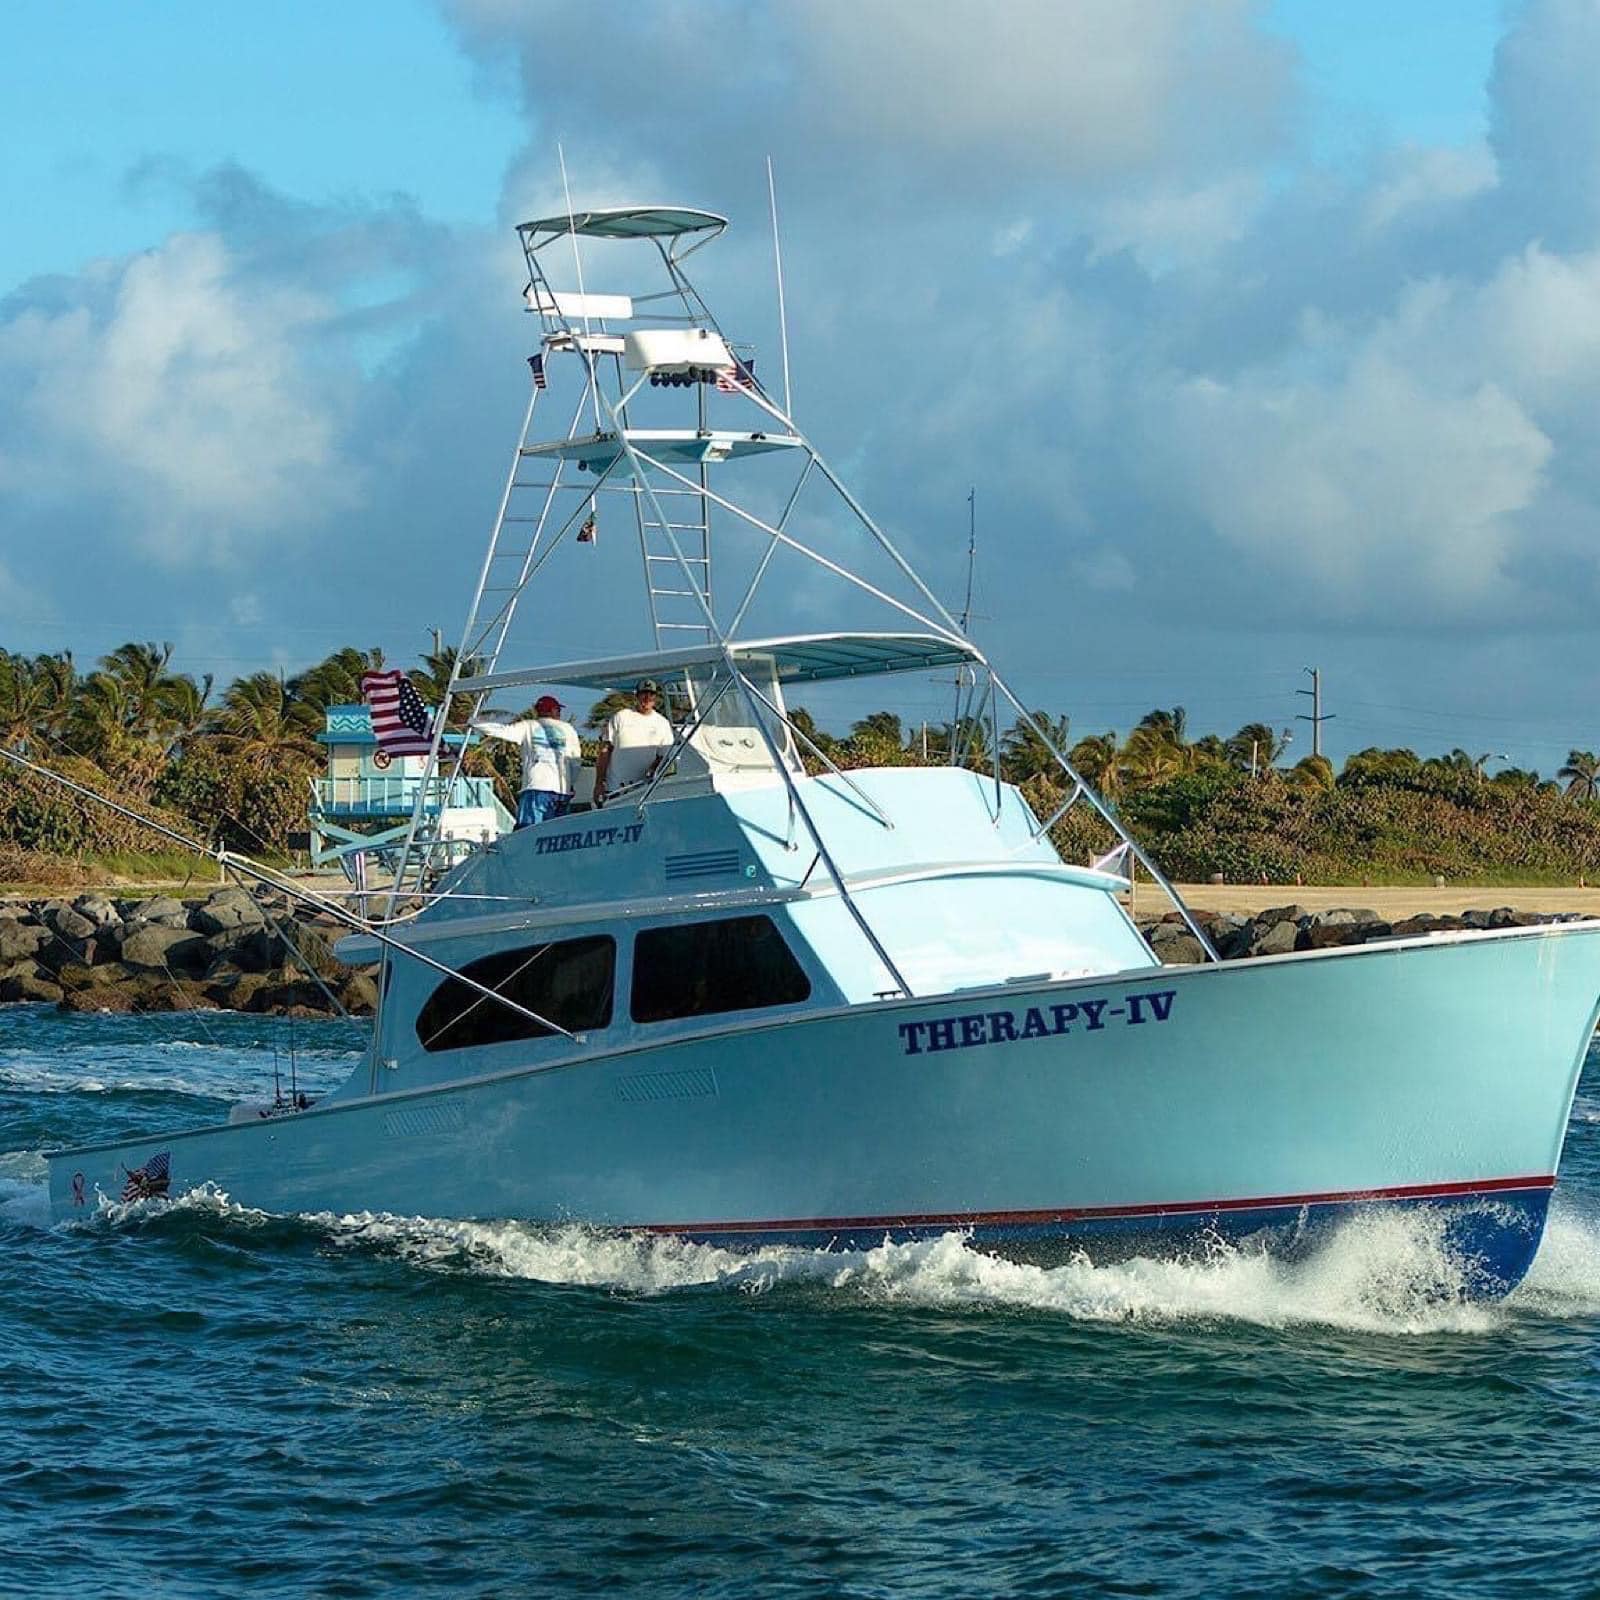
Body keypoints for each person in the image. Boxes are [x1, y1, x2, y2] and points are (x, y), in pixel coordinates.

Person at [473, 695, 582, 829]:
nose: (559, 713)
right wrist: (570, 783)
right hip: (561, 792)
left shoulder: (528, 726)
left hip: (537, 787)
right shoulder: (568, 729)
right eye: (558, 710)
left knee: (529, 830)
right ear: (553, 710)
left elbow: (501, 731)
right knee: (557, 832)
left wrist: (475, 722)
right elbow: (575, 762)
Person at [593, 678, 675, 807]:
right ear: (637, 696)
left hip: (644, 790)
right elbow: (605, 751)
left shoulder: (663, 723)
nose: (647, 698)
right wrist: (599, 783)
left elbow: (663, 756)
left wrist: (653, 769)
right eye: (643, 694)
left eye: (651, 694)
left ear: (655, 698)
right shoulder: (621, 716)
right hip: (615, 788)